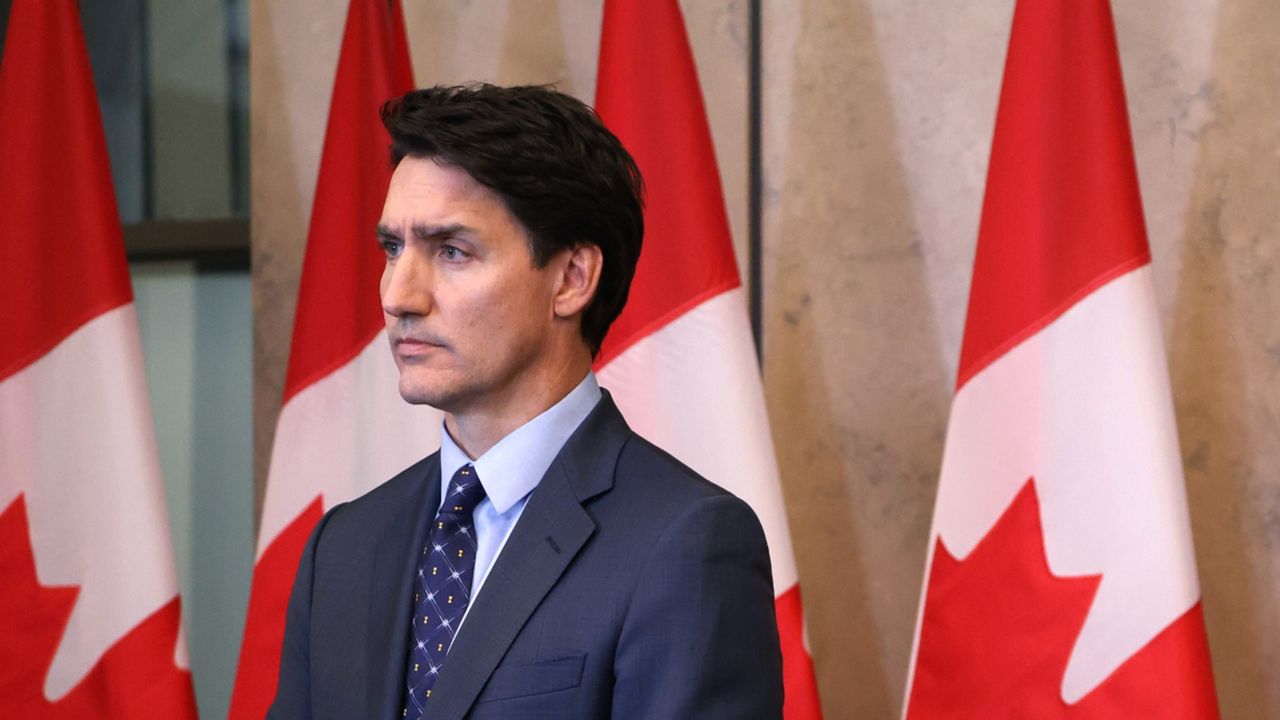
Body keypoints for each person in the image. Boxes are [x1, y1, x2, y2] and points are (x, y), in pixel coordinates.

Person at [268, 84, 782, 720]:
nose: (399, 294)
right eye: (393, 248)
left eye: (451, 251)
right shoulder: (343, 546)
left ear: (572, 278)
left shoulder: (686, 544)